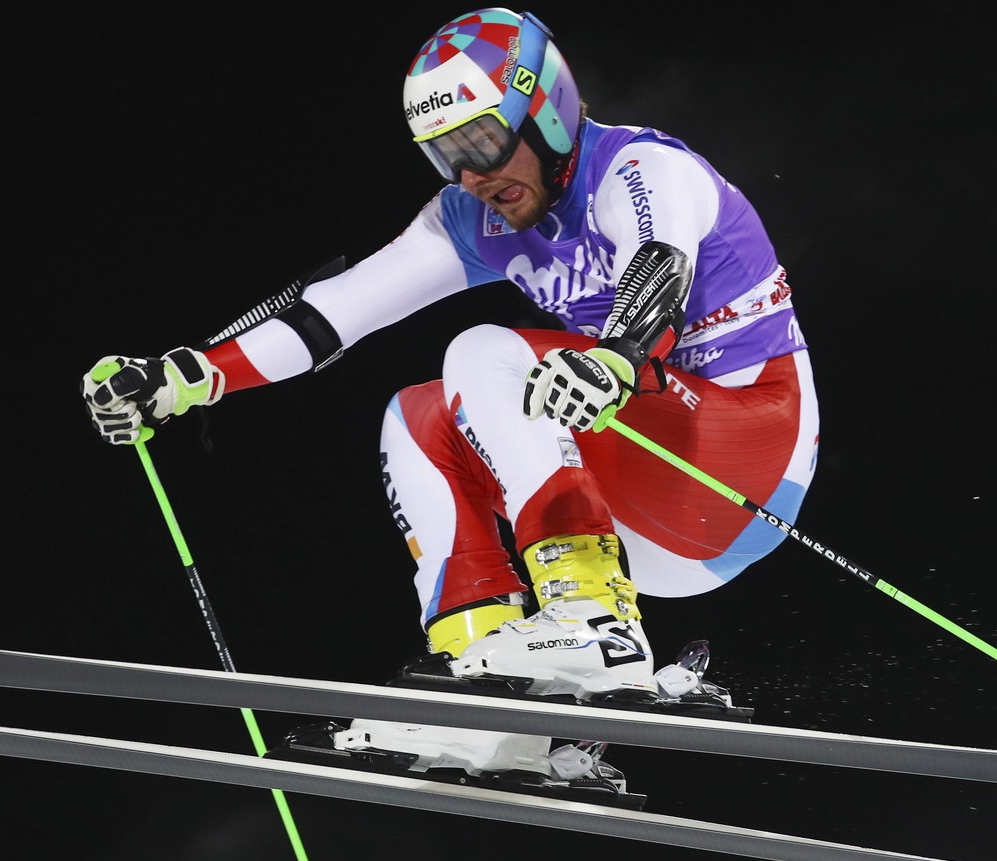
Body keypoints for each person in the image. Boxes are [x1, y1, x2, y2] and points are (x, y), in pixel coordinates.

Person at [81, 8, 818, 797]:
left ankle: (593, 624)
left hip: (743, 458)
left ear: (547, 114)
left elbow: (659, 265)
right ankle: (492, 699)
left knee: (484, 352)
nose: (470, 176)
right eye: (445, 155)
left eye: (481, 144)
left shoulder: (640, 169)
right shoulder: (473, 215)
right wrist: (188, 375)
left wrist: (612, 355)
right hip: (646, 498)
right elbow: (337, 312)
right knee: (417, 416)